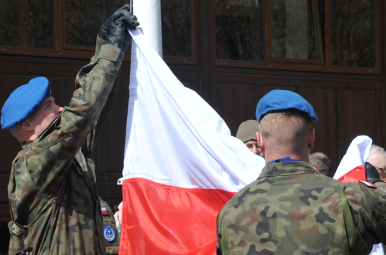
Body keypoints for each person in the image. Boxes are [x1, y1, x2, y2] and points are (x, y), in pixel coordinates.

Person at [1, 6, 139, 255]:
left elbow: (96, 108)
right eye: (48, 106)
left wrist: (106, 45)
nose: (60, 108)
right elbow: (82, 111)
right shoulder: (33, 162)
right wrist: (110, 49)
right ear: (27, 125)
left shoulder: (63, 157)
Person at [216, 90, 386, 255]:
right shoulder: (351, 201)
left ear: (260, 141)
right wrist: (375, 181)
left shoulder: (229, 214)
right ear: (311, 137)